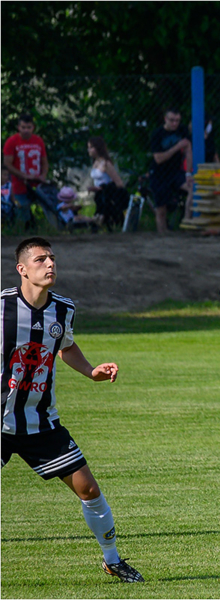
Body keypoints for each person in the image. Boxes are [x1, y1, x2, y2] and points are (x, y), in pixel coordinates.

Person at [2, 237, 144, 583]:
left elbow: (65, 345)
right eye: (40, 260)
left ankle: (112, 560)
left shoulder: (63, 310)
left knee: (90, 491)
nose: (49, 264)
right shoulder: (2, 306)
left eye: (52, 258)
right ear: (22, 269)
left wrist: (91, 371)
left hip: (41, 424)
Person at [149, 108, 192, 233]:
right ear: (165, 119)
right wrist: (176, 147)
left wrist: (188, 173)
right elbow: (158, 159)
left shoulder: (182, 130)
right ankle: (162, 235)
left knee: (193, 188)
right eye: (172, 120)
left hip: (175, 172)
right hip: (159, 174)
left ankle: (187, 222)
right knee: (161, 210)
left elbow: (188, 150)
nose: (175, 124)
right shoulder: (157, 134)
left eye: (177, 120)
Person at [3, 113, 49, 227]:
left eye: (29, 127)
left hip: (37, 183)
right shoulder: (12, 141)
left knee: (47, 206)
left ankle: (45, 227)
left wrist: (43, 175)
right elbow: (7, 163)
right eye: (23, 127)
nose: (26, 130)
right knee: (22, 210)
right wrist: (23, 176)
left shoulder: (38, 141)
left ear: (33, 127)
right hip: (19, 184)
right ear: (19, 127)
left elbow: (44, 161)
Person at [87, 136, 127, 229]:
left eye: (91, 147)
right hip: (99, 196)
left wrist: (102, 188)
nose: (88, 150)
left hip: (106, 194)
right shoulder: (95, 163)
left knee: (101, 216)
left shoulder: (106, 164)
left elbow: (118, 183)